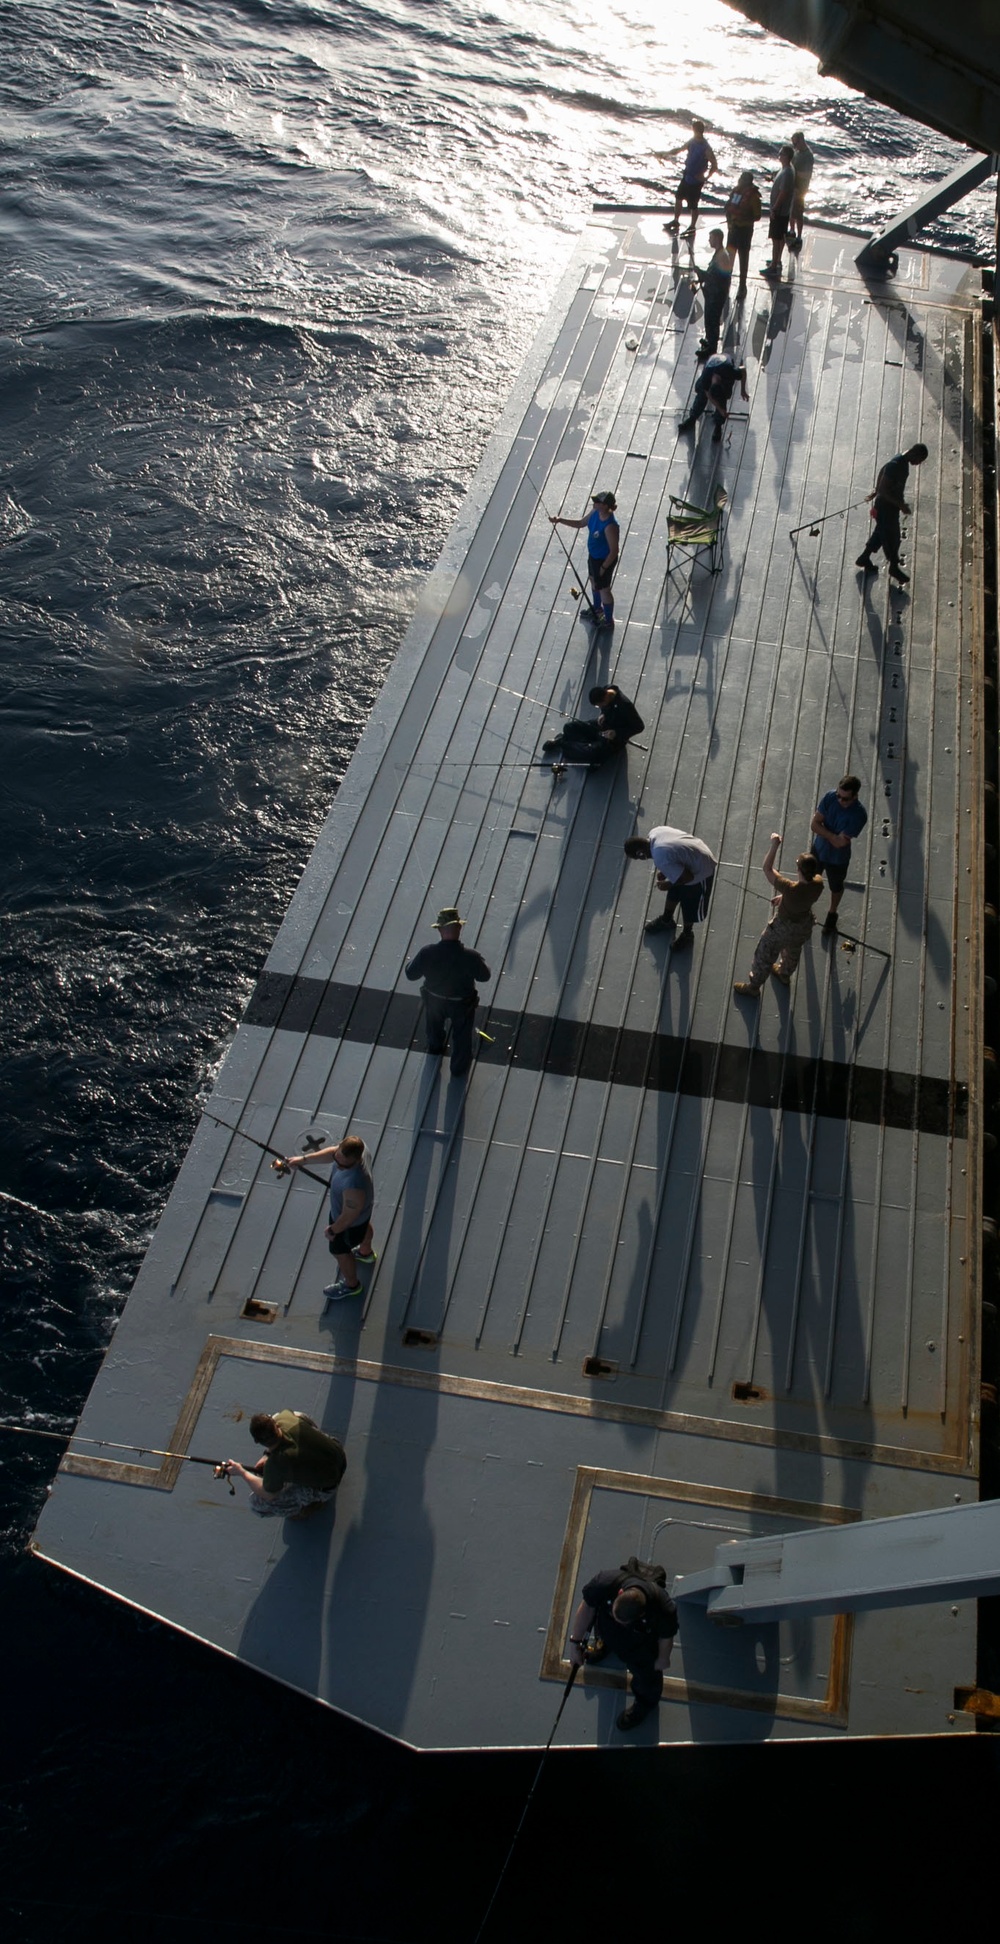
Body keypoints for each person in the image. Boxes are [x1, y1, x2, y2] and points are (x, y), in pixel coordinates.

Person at [567, 1563, 679, 1730]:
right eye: (614, 1612)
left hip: (640, 1646)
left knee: (648, 1679)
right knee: (604, 1629)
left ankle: (644, 1704)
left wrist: (663, 1659)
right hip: (607, 1630)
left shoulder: (663, 1609)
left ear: (642, 1613)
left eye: (621, 1620)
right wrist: (575, 1644)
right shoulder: (604, 1582)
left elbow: (666, 1637)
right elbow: (587, 1607)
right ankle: (603, 1645)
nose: (616, 1618)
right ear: (620, 1592)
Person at [280, 1133, 376, 1301]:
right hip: (363, 1214)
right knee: (364, 1225)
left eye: (343, 1165)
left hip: (347, 1224)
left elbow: (349, 1216)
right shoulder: (359, 1148)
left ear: (354, 1161)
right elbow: (333, 1152)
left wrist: (333, 1230)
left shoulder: (354, 1184)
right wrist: (303, 1160)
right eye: (336, 1159)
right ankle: (365, 1253)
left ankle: (351, 1285)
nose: (337, 1165)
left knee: (340, 1251)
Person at [733, 833, 824, 998]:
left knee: (765, 955)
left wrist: (775, 844)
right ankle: (784, 974)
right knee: (793, 951)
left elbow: (767, 868)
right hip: (803, 925)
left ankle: (753, 988)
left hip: (782, 928)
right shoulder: (818, 883)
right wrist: (785, 898)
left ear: (798, 870)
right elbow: (803, 893)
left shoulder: (789, 887)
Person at [405, 907, 491, 1078]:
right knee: (462, 1037)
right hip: (462, 1004)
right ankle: (458, 1070)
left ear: (439, 930)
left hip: (434, 1001)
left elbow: (410, 974)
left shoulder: (427, 952)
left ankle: (435, 1049)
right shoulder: (470, 956)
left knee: (434, 1029)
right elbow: (485, 976)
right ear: (459, 928)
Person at [224, 1410, 346, 1521]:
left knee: (256, 1504)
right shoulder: (284, 1418)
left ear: (257, 1441)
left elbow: (268, 1494)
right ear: (275, 1425)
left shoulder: (276, 1465)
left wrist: (242, 1472)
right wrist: (268, 1455)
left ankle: (312, 1504)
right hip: (339, 1455)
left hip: (329, 1485)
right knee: (297, 1415)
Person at [623, 824, 717, 952]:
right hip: (695, 855)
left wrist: (669, 884)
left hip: (701, 870)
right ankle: (667, 920)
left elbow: (688, 878)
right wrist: (668, 872)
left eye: (638, 858)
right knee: (674, 892)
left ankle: (687, 934)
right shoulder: (655, 832)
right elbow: (675, 853)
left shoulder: (661, 857)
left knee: (690, 905)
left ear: (640, 854)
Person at [856, 443, 928, 585]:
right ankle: (894, 567)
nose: (918, 464)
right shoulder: (897, 465)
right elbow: (884, 488)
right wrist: (900, 504)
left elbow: (883, 470)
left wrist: (877, 489)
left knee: (880, 533)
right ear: (914, 453)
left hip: (890, 507)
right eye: (919, 460)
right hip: (885, 509)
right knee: (892, 538)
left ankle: (864, 557)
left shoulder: (901, 459)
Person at [549, 490, 619, 626]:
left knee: (604, 589)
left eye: (598, 502)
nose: (594, 504)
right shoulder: (595, 513)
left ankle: (608, 620)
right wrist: (560, 520)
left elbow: (614, 551)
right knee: (593, 581)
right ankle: (597, 609)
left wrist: (604, 568)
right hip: (593, 556)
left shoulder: (610, 526)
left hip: (604, 560)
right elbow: (581, 523)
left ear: (605, 506)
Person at [810, 776, 868, 933]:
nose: (840, 800)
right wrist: (832, 836)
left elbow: (841, 843)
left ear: (855, 796)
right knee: (808, 879)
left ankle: (832, 913)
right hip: (819, 849)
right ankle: (806, 908)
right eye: (839, 796)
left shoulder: (859, 815)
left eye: (845, 798)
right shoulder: (830, 797)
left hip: (837, 858)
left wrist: (825, 833)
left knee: (836, 886)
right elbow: (814, 824)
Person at [542, 683, 644, 767]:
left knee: (591, 753)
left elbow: (639, 726)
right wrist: (603, 713)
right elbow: (607, 708)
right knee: (569, 727)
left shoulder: (625, 706)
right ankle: (576, 743)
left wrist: (616, 733)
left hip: (612, 739)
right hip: (602, 725)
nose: (599, 707)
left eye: (600, 705)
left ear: (605, 698)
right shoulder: (607, 690)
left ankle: (563, 743)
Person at [655, 118, 717, 237]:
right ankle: (676, 220)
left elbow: (714, 165)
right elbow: (680, 149)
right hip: (687, 175)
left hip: (696, 181)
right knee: (678, 198)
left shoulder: (706, 148)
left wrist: (706, 178)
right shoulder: (692, 141)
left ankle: (692, 226)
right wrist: (667, 153)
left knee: (693, 205)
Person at [679, 353, 749, 443]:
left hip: (725, 367)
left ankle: (718, 425)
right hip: (712, 369)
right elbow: (708, 394)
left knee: (722, 397)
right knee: (701, 394)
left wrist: (743, 390)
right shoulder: (706, 376)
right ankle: (693, 417)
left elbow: (743, 370)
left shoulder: (728, 371)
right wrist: (720, 409)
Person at [695, 229, 735, 357]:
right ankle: (709, 341)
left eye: (711, 237)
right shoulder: (719, 254)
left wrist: (701, 273)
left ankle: (711, 347)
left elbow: (716, 277)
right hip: (713, 292)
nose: (709, 240)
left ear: (717, 238)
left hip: (716, 294)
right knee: (709, 318)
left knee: (713, 319)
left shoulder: (722, 256)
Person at [725, 169, 762, 295]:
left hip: (745, 230)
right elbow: (728, 208)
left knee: (743, 257)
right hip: (733, 228)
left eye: (742, 179)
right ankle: (726, 280)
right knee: (729, 256)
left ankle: (742, 285)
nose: (740, 181)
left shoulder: (754, 197)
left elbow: (757, 216)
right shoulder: (735, 192)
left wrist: (744, 217)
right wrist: (729, 222)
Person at [762, 144, 795, 279]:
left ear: (787, 156)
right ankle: (776, 260)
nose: (779, 156)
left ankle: (774, 266)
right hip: (782, 211)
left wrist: (775, 208)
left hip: (780, 211)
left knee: (776, 239)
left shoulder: (787, 172)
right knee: (779, 238)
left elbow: (783, 193)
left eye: (781, 154)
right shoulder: (786, 170)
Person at [789, 130, 814, 247]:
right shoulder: (796, 153)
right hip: (793, 187)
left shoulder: (808, 156)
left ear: (802, 141)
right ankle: (792, 231)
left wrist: (794, 173)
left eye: (796, 143)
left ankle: (799, 236)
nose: (795, 146)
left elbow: (807, 174)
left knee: (798, 213)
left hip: (801, 190)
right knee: (791, 211)